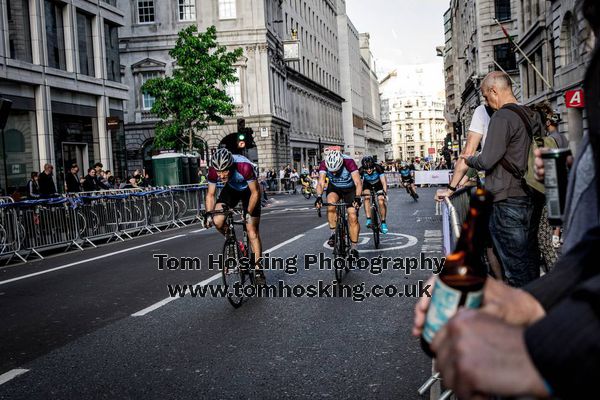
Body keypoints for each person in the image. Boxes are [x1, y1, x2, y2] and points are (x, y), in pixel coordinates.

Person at [462, 71, 542, 288]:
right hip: (530, 195)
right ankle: (538, 306)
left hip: (506, 198)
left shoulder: (502, 117)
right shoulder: (530, 114)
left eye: (486, 97)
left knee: (514, 268)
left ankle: (524, 317)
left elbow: (487, 160)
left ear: (494, 91)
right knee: (529, 259)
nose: (487, 102)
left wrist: (470, 160)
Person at [204, 148, 265, 285]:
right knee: (217, 220)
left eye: (224, 170)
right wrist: (208, 214)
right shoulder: (214, 171)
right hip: (232, 189)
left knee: (252, 231)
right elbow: (210, 194)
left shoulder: (244, 167)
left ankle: (258, 269)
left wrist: (248, 213)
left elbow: (255, 192)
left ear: (231, 166)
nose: (221, 175)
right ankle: (234, 244)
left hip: (249, 191)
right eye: (219, 172)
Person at [436, 104, 493, 201]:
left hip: (491, 195)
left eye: (485, 95)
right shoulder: (522, 111)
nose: (486, 101)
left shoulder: (477, 159)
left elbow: (467, 153)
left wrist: (450, 189)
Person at [314, 150, 362, 257]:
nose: (334, 173)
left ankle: (354, 248)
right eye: (332, 171)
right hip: (335, 188)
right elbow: (321, 183)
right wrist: (318, 197)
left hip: (350, 189)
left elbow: (358, 182)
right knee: (330, 205)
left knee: (353, 216)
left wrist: (358, 197)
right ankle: (333, 234)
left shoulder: (349, 162)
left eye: (336, 170)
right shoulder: (324, 163)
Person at [359, 156, 389, 234]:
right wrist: (359, 194)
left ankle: (383, 222)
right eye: (367, 169)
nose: (369, 170)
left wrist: (384, 193)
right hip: (367, 185)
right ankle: (369, 218)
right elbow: (360, 183)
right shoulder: (361, 170)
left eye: (370, 168)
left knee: (381, 201)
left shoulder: (378, 167)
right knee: (366, 197)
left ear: (373, 166)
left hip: (378, 184)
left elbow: (383, 182)